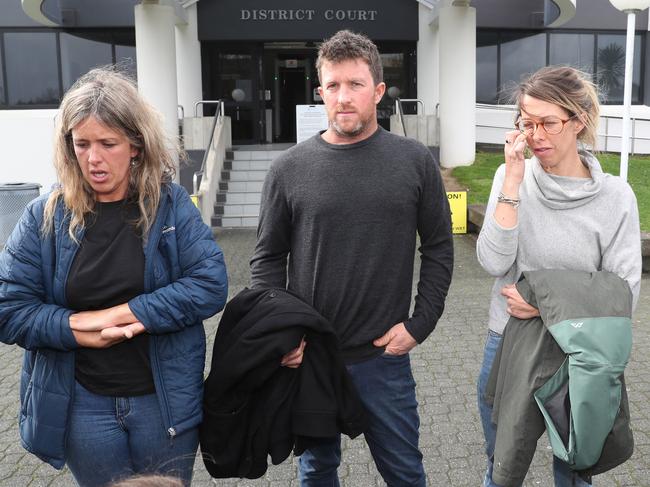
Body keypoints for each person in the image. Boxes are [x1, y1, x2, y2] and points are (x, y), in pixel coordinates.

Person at [0, 67, 228, 486]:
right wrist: (76, 326)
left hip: (163, 404)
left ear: (136, 145)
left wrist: (124, 313)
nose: (93, 158)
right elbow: (9, 307)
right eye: (81, 144)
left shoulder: (172, 206)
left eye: (108, 143)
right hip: (82, 404)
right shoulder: (43, 216)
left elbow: (210, 283)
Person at [250, 30, 454, 486]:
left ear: (378, 91)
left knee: (405, 473)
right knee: (317, 471)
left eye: (356, 85)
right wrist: (281, 336)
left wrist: (420, 324)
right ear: (320, 92)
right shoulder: (288, 169)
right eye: (334, 86)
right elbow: (266, 260)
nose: (344, 97)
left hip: (384, 358)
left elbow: (439, 246)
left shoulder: (414, 162)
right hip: (311, 358)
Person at [476, 65, 642, 487]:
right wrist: (512, 180)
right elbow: (494, 263)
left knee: (574, 467)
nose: (535, 135)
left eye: (548, 122)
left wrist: (544, 305)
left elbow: (624, 293)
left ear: (578, 121)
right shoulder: (510, 177)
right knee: (501, 465)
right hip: (508, 343)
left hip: (581, 351)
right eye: (526, 123)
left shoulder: (615, 197)